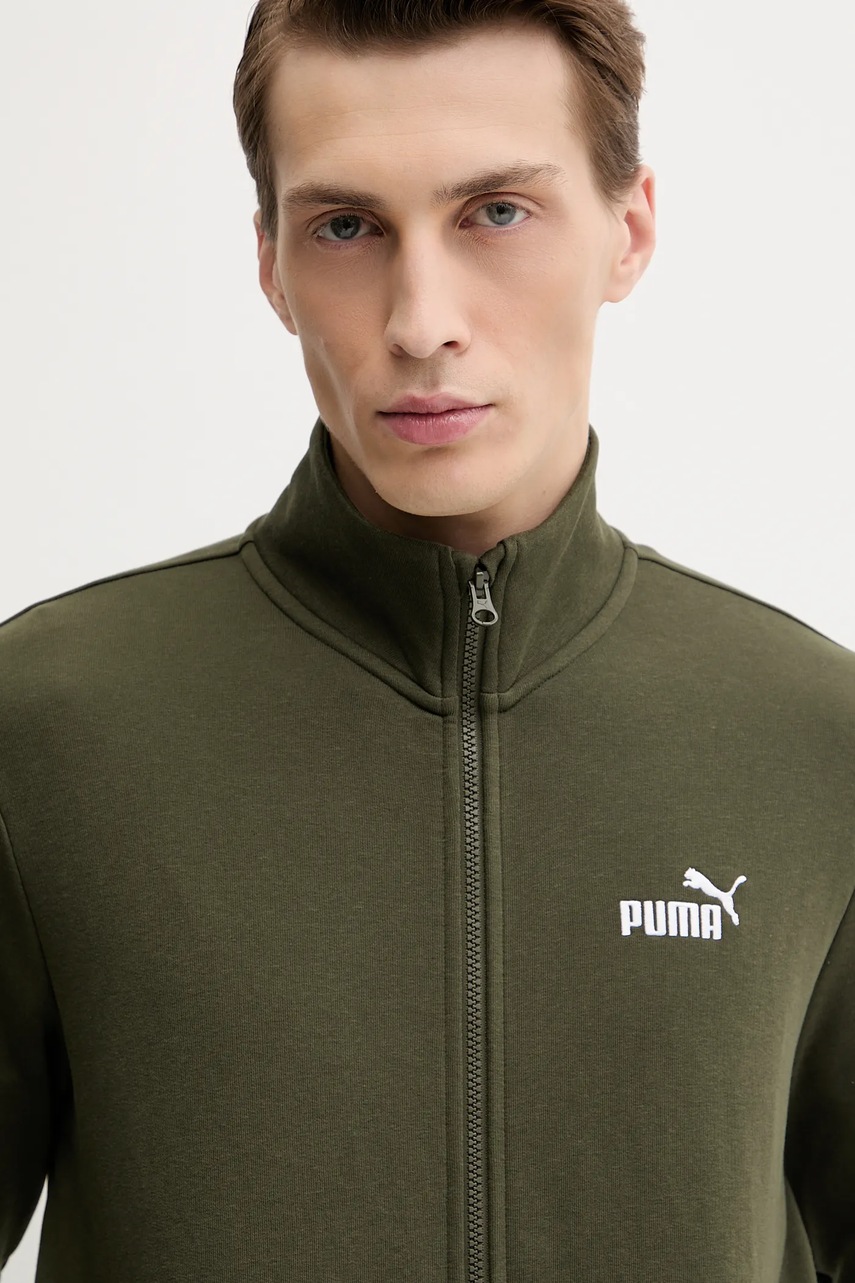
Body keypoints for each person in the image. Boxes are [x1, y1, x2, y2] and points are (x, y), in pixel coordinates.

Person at [1, 1, 852, 1279]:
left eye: (496, 212)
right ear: (271, 264)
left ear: (629, 230)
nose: (420, 320)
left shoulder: (816, 744)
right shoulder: (43, 729)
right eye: (347, 227)